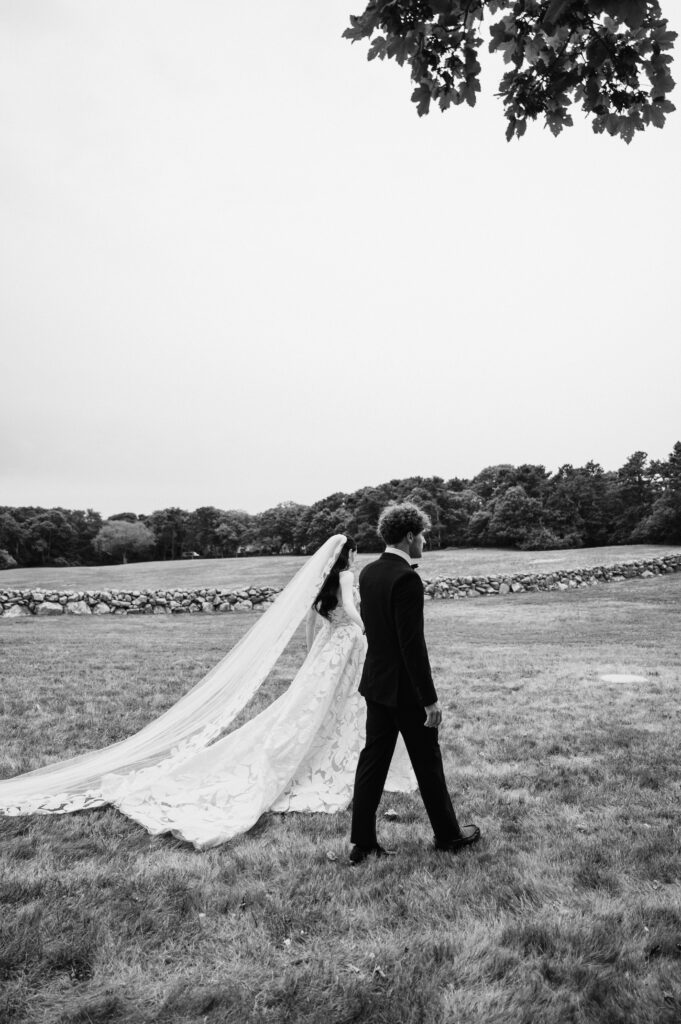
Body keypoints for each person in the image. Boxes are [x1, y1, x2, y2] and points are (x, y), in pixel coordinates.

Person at [0, 534, 415, 849]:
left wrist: (313, 657)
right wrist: (366, 631)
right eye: (355, 554)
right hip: (347, 646)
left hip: (328, 651)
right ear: (348, 555)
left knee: (311, 709)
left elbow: (312, 626)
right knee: (337, 710)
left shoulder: (321, 584)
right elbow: (354, 612)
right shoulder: (344, 576)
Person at [349, 502, 480, 864]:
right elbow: (412, 645)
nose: (424, 541)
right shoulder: (407, 579)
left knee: (372, 762)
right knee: (427, 762)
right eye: (422, 535)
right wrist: (430, 700)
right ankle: (449, 835)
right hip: (405, 692)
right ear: (409, 536)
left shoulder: (370, 573)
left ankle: (362, 842)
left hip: (376, 685)